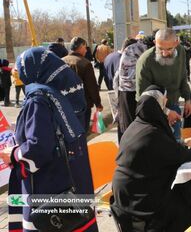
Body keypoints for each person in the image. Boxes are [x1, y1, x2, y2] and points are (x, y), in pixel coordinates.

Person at [1, 47, 97, 232]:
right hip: (75, 183)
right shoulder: (65, 93)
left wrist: (13, 153)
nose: (19, 73)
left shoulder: (38, 100)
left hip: (49, 189)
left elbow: (39, 149)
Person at [111, 85, 191, 232]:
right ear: (156, 107)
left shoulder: (137, 126)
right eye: (163, 105)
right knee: (183, 195)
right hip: (137, 196)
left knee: (183, 186)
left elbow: (161, 150)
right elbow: (180, 155)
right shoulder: (151, 132)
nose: (165, 110)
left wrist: (183, 143)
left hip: (128, 190)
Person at [136, 29, 191, 140]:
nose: (164, 53)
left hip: (174, 106)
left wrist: (187, 99)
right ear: (154, 43)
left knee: (176, 141)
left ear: (176, 43)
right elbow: (142, 98)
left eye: (169, 49)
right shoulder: (145, 61)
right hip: (155, 112)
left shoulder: (181, 52)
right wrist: (166, 112)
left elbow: (182, 77)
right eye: (160, 48)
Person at [63, 37, 103, 131]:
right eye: (85, 47)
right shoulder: (85, 63)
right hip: (82, 104)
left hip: (65, 103)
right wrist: (98, 103)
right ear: (80, 47)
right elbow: (92, 86)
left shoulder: (61, 61)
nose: (86, 50)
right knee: (81, 131)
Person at [114, 39, 149, 142]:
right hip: (135, 96)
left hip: (123, 95)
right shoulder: (139, 57)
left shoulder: (123, 60)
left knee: (125, 127)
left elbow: (115, 81)